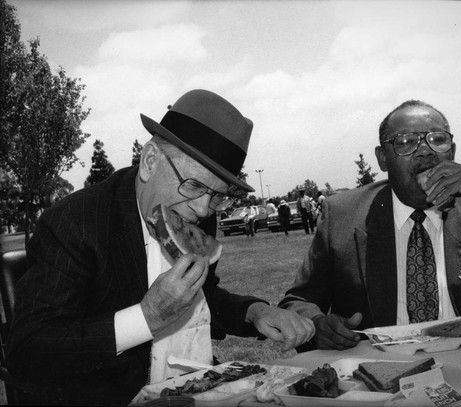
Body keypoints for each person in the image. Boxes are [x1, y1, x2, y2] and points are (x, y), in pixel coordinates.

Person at [6, 89, 315, 405]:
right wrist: (148, 315)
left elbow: (200, 296)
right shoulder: (75, 223)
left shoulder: (193, 213)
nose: (203, 209)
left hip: (193, 389)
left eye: (217, 195)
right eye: (193, 185)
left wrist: (254, 312)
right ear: (150, 161)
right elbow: (29, 350)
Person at [279, 99, 461, 352]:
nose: (426, 151)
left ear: (452, 151)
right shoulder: (343, 215)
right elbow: (298, 301)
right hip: (379, 369)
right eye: (405, 142)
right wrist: (319, 325)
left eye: (437, 139)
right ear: (383, 159)